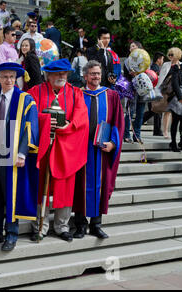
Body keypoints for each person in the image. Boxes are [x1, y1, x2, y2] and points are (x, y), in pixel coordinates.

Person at [0, 62, 39, 251]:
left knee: (10, 195)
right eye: (5, 76)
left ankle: (11, 234)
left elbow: (31, 127)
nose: (9, 80)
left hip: (12, 154)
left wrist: (22, 153)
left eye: (12, 76)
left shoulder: (25, 99)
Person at [27, 59, 89, 242]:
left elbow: (81, 116)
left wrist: (69, 125)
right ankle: (40, 226)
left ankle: (62, 226)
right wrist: (44, 121)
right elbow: (28, 114)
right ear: (48, 75)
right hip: (42, 147)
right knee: (40, 188)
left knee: (65, 188)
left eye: (64, 73)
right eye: (57, 73)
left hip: (65, 147)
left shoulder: (75, 92)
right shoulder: (35, 92)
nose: (62, 76)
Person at [73, 60, 124, 239]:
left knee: (100, 186)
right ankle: (79, 225)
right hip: (81, 148)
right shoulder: (77, 94)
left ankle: (96, 224)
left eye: (98, 73)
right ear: (85, 76)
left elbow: (118, 122)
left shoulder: (111, 95)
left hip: (101, 150)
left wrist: (113, 142)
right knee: (80, 186)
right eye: (93, 74)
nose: (96, 76)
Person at [157, 48, 182, 140]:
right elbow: (161, 78)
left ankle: (173, 131)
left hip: (177, 91)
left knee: (175, 113)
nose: (170, 56)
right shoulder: (166, 64)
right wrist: (157, 89)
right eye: (169, 54)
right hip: (166, 91)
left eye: (172, 55)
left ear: (177, 55)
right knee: (167, 112)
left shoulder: (181, 65)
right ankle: (165, 131)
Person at [123, 41, 146, 144]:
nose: (131, 48)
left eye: (133, 46)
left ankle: (137, 135)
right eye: (130, 46)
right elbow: (126, 77)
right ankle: (126, 134)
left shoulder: (145, 59)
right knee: (130, 112)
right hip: (132, 89)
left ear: (139, 47)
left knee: (140, 113)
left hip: (142, 88)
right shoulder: (127, 61)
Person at [142, 51, 166, 136]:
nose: (162, 61)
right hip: (154, 93)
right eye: (162, 59)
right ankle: (156, 130)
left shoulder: (154, 68)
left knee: (154, 112)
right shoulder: (155, 69)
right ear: (159, 59)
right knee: (155, 111)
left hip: (153, 93)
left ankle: (157, 130)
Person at [168, 49, 182, 152]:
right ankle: (174, 143)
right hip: (178, 98)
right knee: (175, 122)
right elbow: (175, 83)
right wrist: (180, 97)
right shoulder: (177, 67)